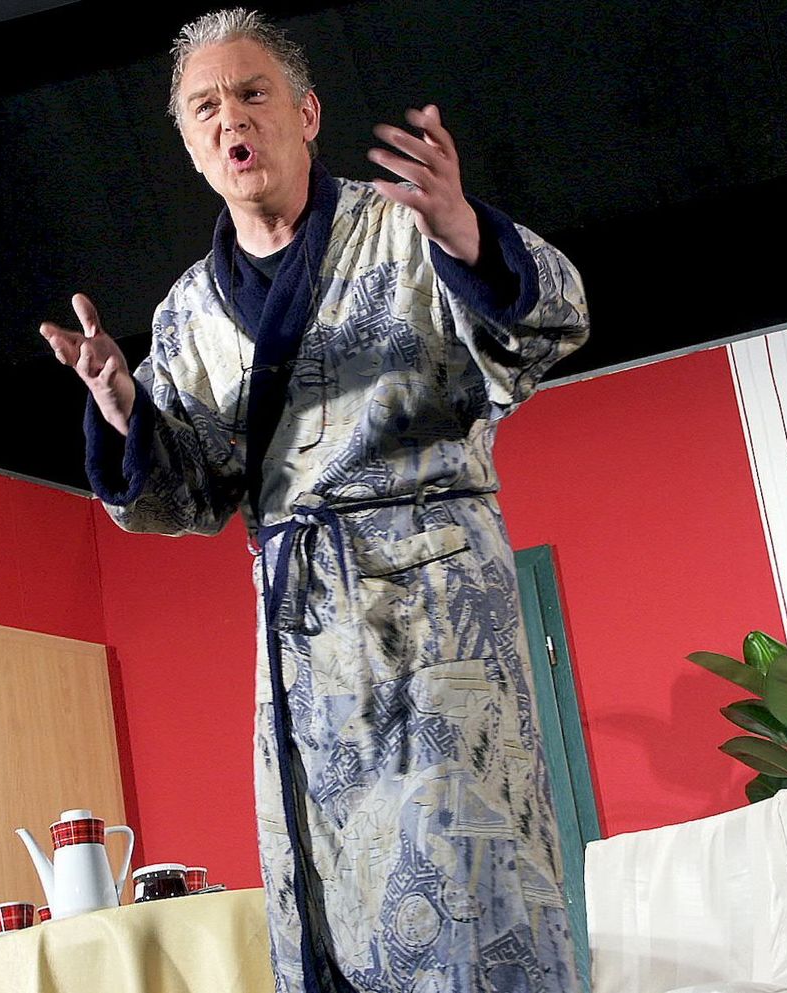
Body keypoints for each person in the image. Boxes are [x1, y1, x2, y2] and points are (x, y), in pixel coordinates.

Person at [40, 8, 589, 992]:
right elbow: (186, 497)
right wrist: (122, 406)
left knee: (468, 894)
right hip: (301, 645)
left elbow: (549, 327)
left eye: (252, 93)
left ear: (306, 113)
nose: (230, 118)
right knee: (329, 896)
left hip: (434, 619)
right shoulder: (189, 310)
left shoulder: (404, 227)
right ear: (192, 148)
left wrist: (468, 237)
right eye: (204, 108)